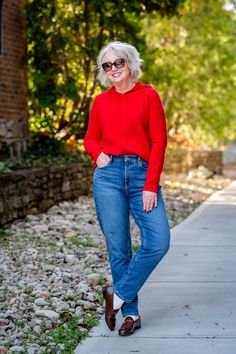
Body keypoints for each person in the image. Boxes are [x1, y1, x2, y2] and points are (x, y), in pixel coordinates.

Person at [84, 41, 170, 336]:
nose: (113, 69)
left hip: (140, 174)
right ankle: (130, 314)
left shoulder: (148, 96)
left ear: (130, 63)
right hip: (107, 178)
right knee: (118, 248)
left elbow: (159, 142)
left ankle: (116, 296)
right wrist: (97, 154)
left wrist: (150, 185)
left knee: (158, 241)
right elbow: (90, 138)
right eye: (107, 66)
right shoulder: (101, 102)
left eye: (118, 62)